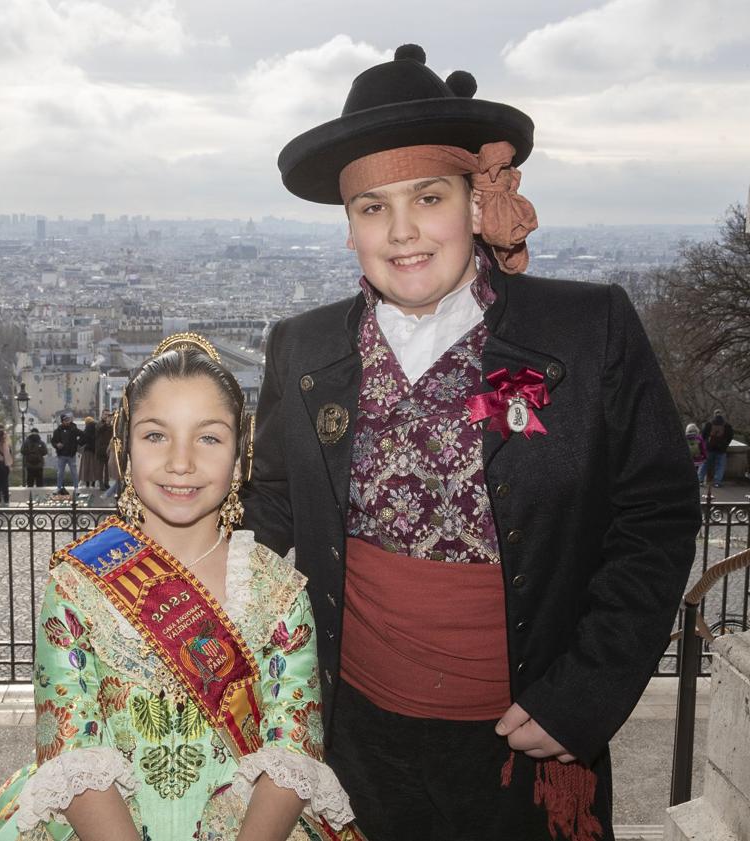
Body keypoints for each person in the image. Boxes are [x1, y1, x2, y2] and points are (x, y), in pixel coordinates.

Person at [244, 45, 701, 841]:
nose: (404, 230)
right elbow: (270, 507)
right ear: (348, 227)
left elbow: (654, 515)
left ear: (476, 201)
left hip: (525, 737)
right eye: (373, 207)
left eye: (428, 196)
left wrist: (586, 692)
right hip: (354, 737)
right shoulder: (303, 348)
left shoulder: (586, 331)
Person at [0, 334, 360, 841]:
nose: (181, 462)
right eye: (156, 436)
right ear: (124, 449)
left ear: (243, 455)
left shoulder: (278, 590)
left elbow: (294, 753)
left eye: (209, 437)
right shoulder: (77, 583)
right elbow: (73, 749)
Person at [699, 411, 734, 488]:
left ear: (714, 415)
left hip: (709, 448)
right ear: (722, 415)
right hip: (721, 449)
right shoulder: (727, 425)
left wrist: (706, 444)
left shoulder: (709, 424)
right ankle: (717, 482)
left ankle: (700, 480)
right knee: (720, 466)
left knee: (705, 464)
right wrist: (725, 445)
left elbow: (703, 436)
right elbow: (730, 437)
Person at [50, 413, 80, 495]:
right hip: (61, 455)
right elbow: (53, 441)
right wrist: (57, 445)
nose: (67, 422)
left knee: (74, 472)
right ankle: (58, 487)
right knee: (60, 472)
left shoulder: (73, 429)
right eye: (66, 420)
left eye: (68, 420)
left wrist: (77, 444)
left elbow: (82, 434)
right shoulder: (57, 431)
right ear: (62, 421)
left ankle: (76, 488)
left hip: (71, 454)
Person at [78, 415, 100, 487]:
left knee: (86, 467)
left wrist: (77, 442)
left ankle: (87, 483)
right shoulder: (97, 427)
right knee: (94, 467)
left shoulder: (87, 428)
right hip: (95, 450)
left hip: (87, 450)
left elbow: (83, 439)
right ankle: (93, 483)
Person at [95, 410, 114, 490]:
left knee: (107, 468)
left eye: (108, 415)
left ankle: (106, 483)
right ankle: (101, 483)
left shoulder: (110, 425)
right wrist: (106, 423)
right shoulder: (99, 424)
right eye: (105, 414)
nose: (106, 416)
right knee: (100, 468)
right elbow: (100, 430)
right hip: (100, 449)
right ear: (102, 415)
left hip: (108, 449)